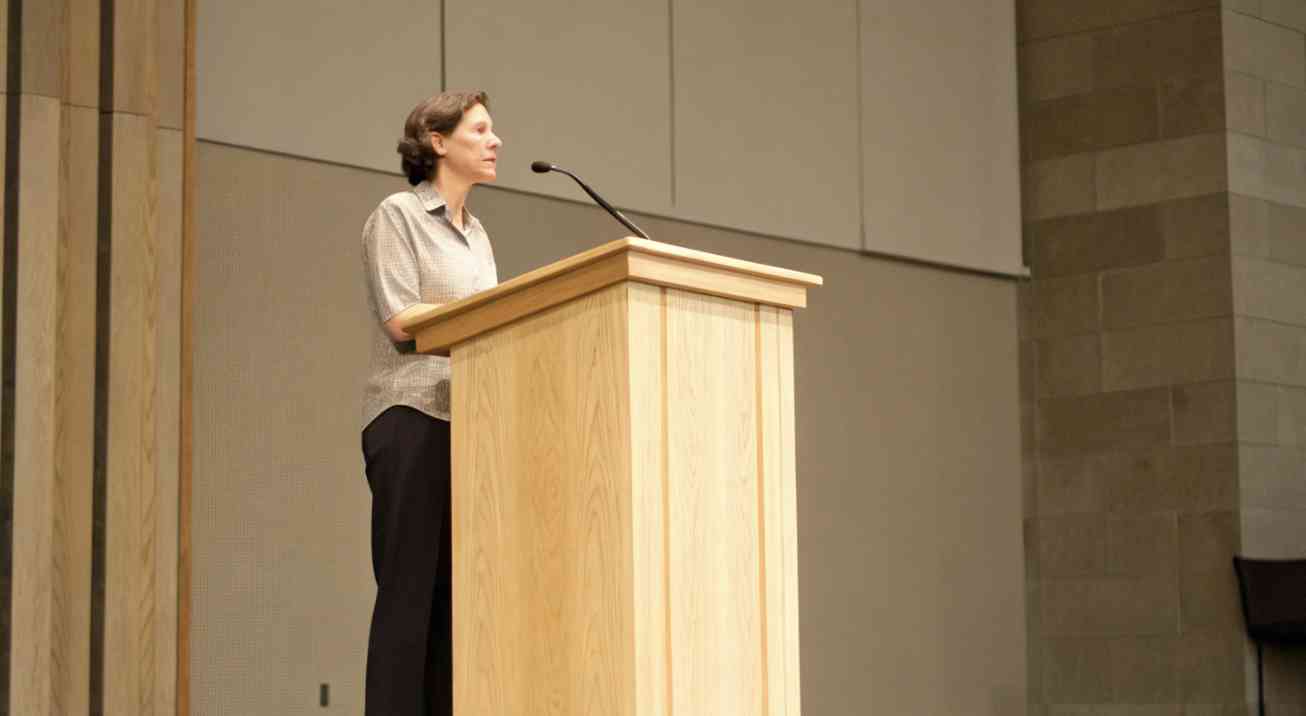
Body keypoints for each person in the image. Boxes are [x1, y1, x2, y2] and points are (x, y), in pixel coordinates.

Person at [359, 90, 502, 716]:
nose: (496, 141)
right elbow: (401, 320)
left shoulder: (480, 237)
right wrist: (488, 318)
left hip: (469, 426)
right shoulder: (398, 215)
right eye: (481, 130)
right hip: (412, 418)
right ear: (438, 142)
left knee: (459, 605)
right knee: (409, 599)